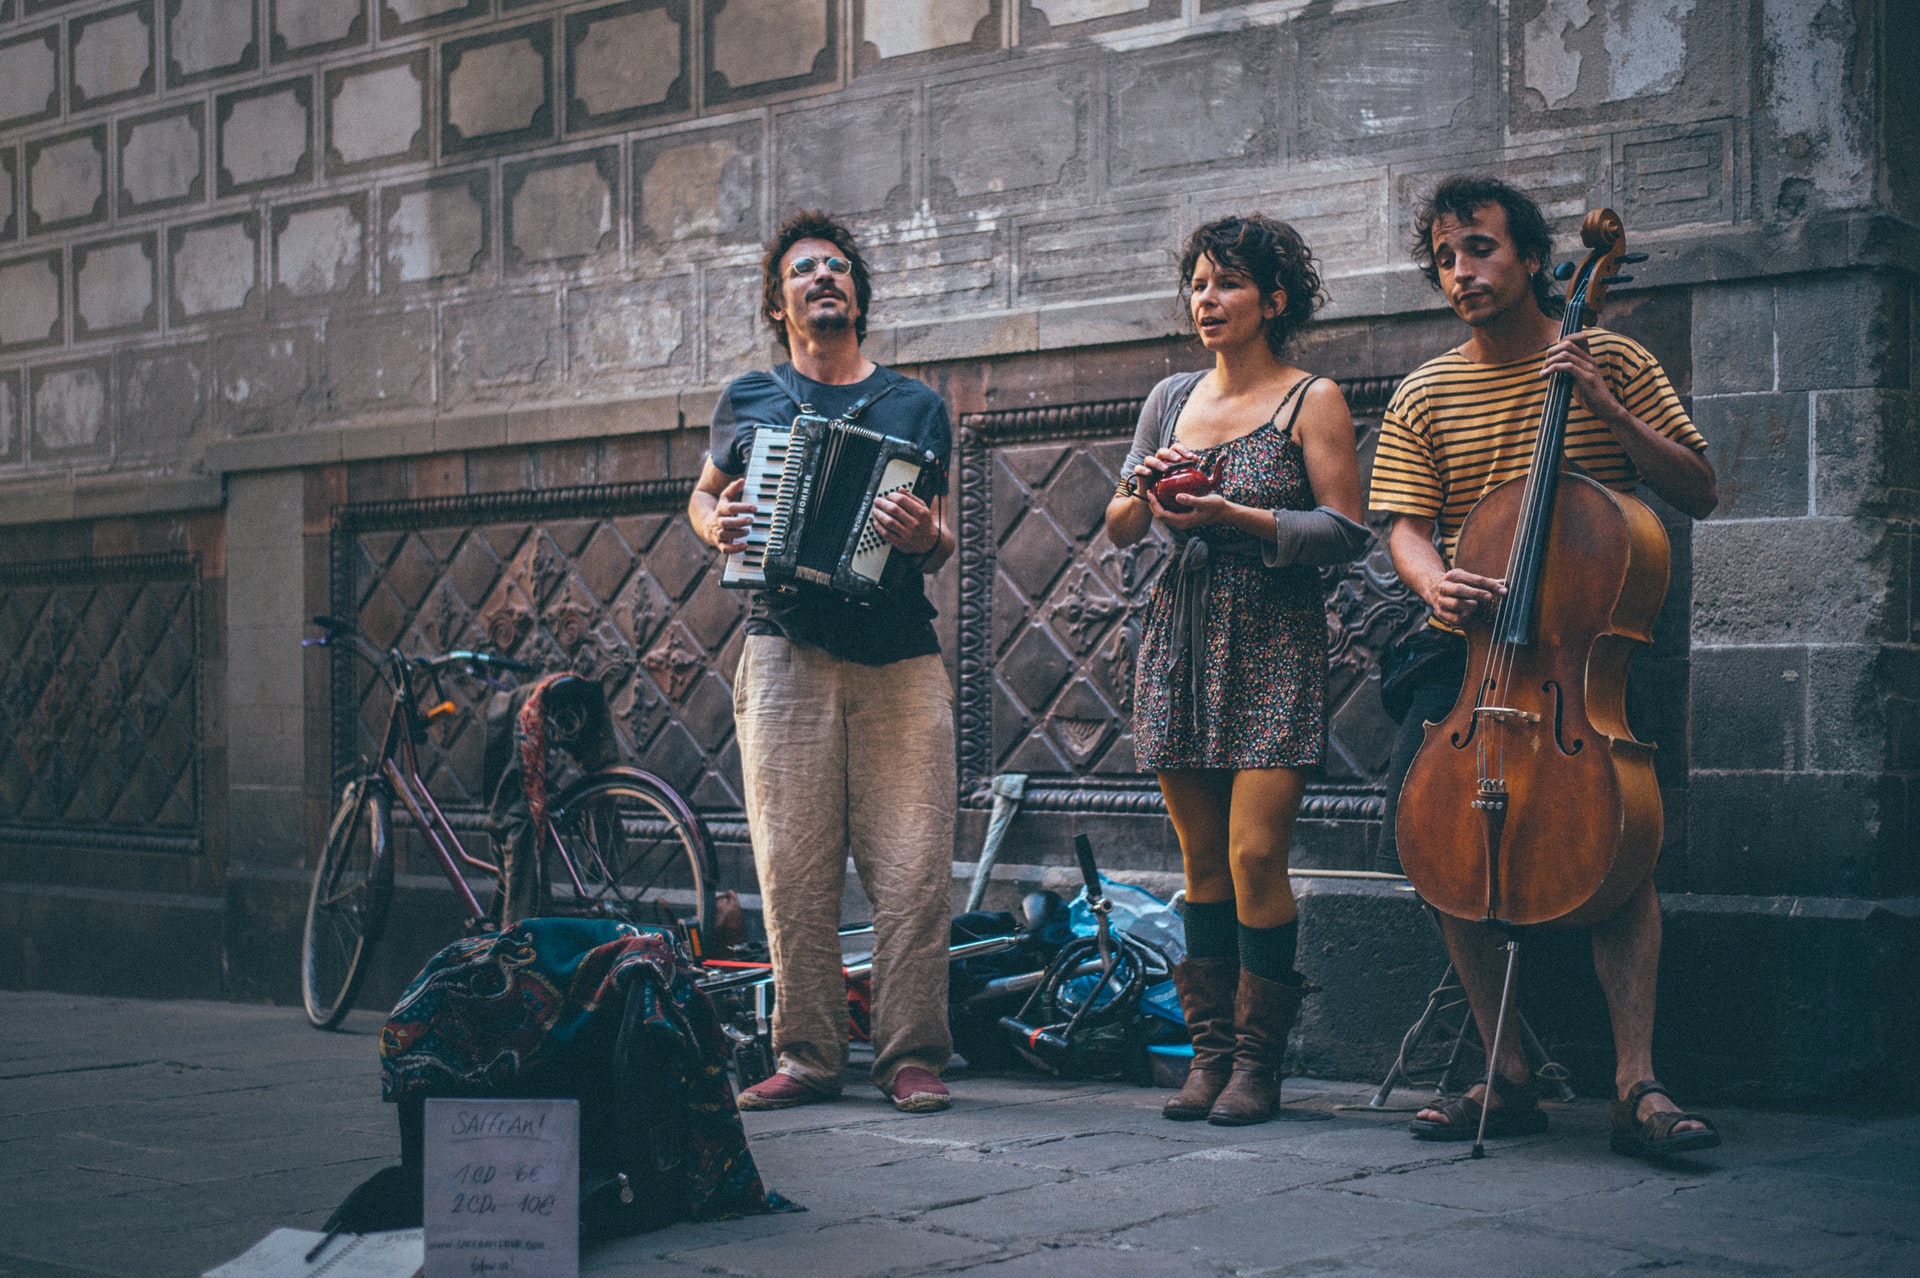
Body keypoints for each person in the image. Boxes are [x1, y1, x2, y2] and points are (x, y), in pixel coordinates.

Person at [1370, 175, 1721, 1158]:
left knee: (1621, 850)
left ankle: (1636, 1082)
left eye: (1479, 249)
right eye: (1444, 257)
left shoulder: (1610, 355)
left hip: (1587, 650)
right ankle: (1507, 1072)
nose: (1461, 271)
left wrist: (1603, 400)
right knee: (1449, 849)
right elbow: (1403, 520)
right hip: (1475, 654)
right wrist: (1432, 580)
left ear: (1531, 258)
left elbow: (1699, 485)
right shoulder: (1426, 391)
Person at [687, 210, 958, 1114]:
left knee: (914, 864)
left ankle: (910, 1053)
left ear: (857, 294)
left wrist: (928, 535)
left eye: (838, 268)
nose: (824, 278)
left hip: (898, 657)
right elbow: (704, 499)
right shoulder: (750, 400)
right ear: (780, 301)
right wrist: (716, 524)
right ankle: (806, 1054)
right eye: (804, 270)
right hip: (784, 653)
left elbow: (940, 533)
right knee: (793, 865)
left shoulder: (915, 406)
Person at [1107, 215, 1370, 1126]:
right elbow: (1119, 524)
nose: (1206, 301)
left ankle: (1260, 1065)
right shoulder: (1170, 394)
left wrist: (1235, 515)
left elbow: (1347, 531)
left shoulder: (1312, 399)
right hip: (1177, 637)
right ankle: (1207, 1057)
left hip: (1271, 638)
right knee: (1200, 857)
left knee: (1257, 852)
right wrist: (1145, 495)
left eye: (1225, 284)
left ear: (1275, 300)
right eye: (1198, 284)